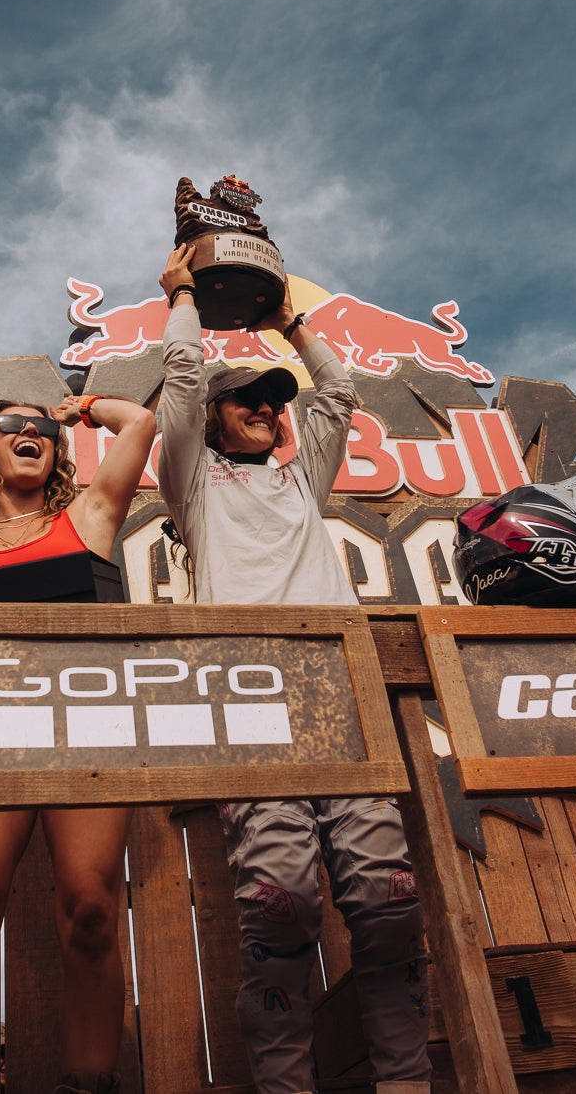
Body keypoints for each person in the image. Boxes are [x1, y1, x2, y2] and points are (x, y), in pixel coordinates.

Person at [155, 244, 432, 1094]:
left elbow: (337, 393)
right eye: (248, 399)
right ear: (214, 416)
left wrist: (292, 326)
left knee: (387, 903)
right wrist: (181, 298)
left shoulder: (302, 480)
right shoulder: (193, 484)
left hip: (340, 698)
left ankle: (407, 1083)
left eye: (275, 402)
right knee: (281, 907)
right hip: (248, 704)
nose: (269, 410)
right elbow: (178, 385)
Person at [0, 390, 158, 1094]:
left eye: (43, 427)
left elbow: (140, 423)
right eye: (13, 424)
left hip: (87, 729)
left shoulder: (87, 519)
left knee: (92, 908)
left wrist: (86, 405)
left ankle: (89, 1082)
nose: (31, 432)